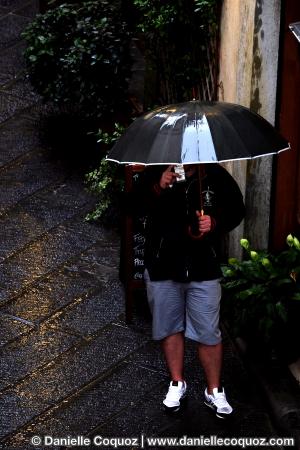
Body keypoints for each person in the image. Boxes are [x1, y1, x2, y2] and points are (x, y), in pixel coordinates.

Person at [137, 163, 245, 418]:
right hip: (163, 263)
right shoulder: (156, 171)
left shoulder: (215, 175)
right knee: (169, 325)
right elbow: (132, 206)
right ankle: (177, 382)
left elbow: (237, 210)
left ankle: (214, 390)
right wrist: (158, 186)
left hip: (203, 265)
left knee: (208, 329)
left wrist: (214, 222)